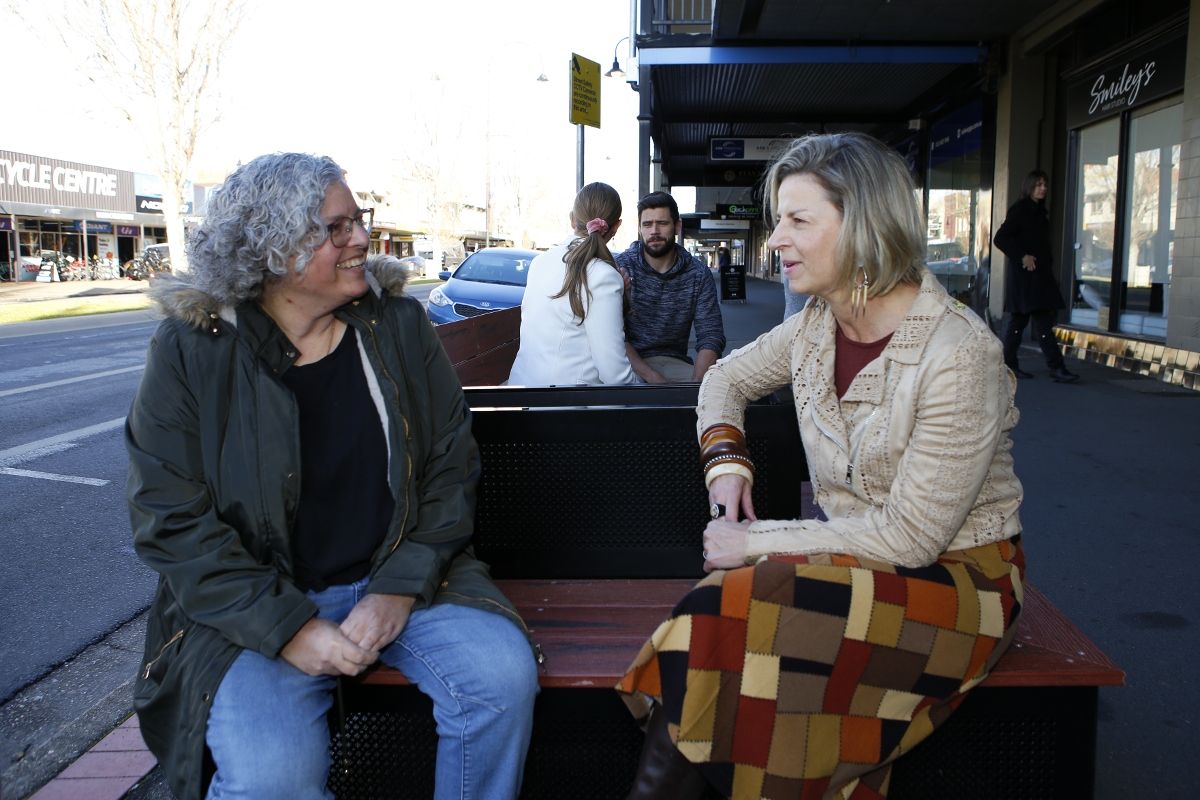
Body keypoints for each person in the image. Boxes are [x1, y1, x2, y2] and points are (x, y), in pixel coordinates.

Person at [617, 133, 1025, 799]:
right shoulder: (816, 327)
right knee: (738, 625)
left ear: (863, 227)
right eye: (779, 219)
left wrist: (756, 540)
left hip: (958, 577)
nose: (777, 239)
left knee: (732, 606)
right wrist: (727, 463)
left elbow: (911, 538)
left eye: (799, 221)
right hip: (855, 558)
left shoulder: (957, 353)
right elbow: (723, 384)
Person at [125, 153, 538, 800]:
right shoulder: (194, 352)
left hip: (403, 580)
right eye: (336, 228)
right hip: (256, 606)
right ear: (273, 248)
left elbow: (448, 466)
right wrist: (286, 627)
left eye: (359, 222)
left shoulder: (397, 327)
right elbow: (169, 518)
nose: (362, 240)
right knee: (271, 780)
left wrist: (399, 588)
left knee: (501, 678)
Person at [507, 182, 637, 385]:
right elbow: (615, 375)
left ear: (572, 219)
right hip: (567, 404)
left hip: (523, 389)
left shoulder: (539, 263)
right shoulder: (603, 275)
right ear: (616, 226)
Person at [615, 192, 726, 383]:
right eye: (647, 224)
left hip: (676, 363)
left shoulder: (698, 274)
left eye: (663, 223)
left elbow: (710, 335)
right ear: (640, 228)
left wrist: (696, 388)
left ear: (677, 226)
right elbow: (614, 335)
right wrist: (653, 378)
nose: (654, 231)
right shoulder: (621, 268)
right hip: (628, 364)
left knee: (723, 388)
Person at [993, 169, 1078, 382]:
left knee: (1035, 323)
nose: (1043, 188)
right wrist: (1022, 256)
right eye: (1038, 184)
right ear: (1029, 186)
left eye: (1045, 185)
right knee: (1025, 323)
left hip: (1038, 277)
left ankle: (1021, 366)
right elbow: (1000, 238)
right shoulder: (1021, 210)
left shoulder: (1040, 213)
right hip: (1025, 278)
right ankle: (1050, 367)